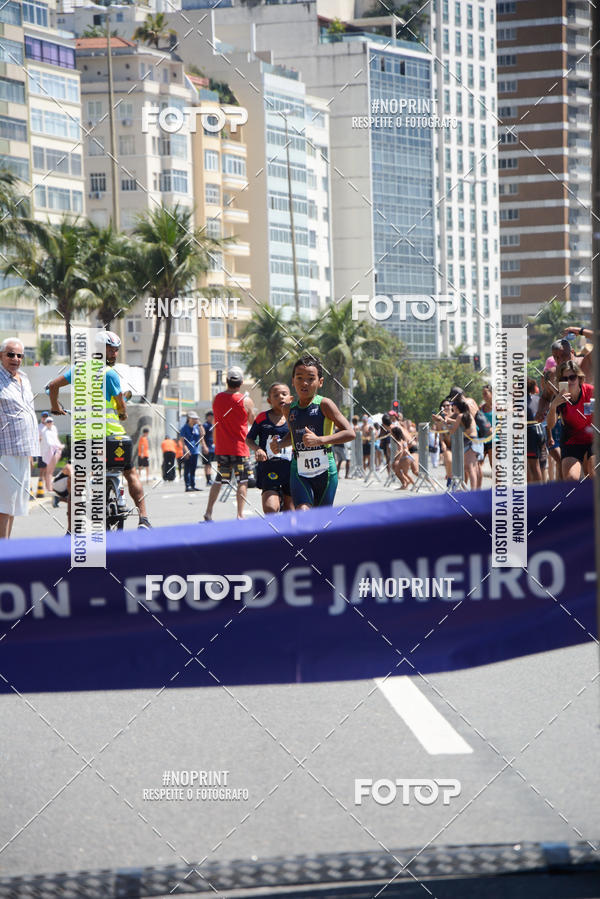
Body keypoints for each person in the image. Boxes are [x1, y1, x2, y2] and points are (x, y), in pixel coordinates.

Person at [48, 330, 152, 529]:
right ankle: (144, 519)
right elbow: (121, 404)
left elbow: (53, 386)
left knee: (77, 480)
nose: (114, 354)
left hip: (84, 440)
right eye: (111, 350)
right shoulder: (109, 373)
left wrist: (55, 407)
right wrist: (122, 414)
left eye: (115, 350)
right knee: (130, 473)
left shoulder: (78, 370)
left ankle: (72, 529)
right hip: (112, 437)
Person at [270, 353, 355, 510]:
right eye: (300, 378)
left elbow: (350, 433)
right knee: (303, 511)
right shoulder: (288, 409)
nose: (305, 383)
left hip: (325, 469)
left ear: (320, 382)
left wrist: (321, 440)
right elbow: (294, 436)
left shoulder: (325, 404)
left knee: (322, 518)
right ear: (293, 381)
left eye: (311, 378)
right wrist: (280, 444)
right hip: (299, 468)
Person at [204, 366, 255, 521]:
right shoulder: (246, 400)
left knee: (219, 479)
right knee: (243, 480)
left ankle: (209, 512)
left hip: (222, 447)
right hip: (240, 447)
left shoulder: (217, 398)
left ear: (227, 381)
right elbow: (252, 420)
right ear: (241, 382)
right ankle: (240, 514)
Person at [0, 338, 39, 538]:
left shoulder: (24, 378)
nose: (15, 358)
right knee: (4, 506)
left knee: (13, 506)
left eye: (19, 355)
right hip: (4, 452)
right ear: (1, 356)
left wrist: (30, 452)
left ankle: (6, 551)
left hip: (23, 451)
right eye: (10, 354)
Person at [246, 383, 294, 514]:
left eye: (284, 394)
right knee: (270, 509)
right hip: (269, 469)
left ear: (291, 398)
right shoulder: (262, 418)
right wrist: (258, 449)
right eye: (276, 395)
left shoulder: (294, 417)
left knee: (290, 512)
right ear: (269, 400)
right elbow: (249, 439)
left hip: (291, 470)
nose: (281, 397)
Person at [546, 360, 594, 481]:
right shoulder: (559, 397)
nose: (569, 382)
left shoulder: (590, 392)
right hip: (571, 442)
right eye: (564, 379)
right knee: (571, 479)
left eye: (572, 377)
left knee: (594, 471)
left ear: (579, 378)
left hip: (593, 439)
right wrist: (553, 406)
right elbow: (550, 425)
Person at [526, 377, 545, 483]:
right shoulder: (537, 399)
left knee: (533, 466)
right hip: (540, 431)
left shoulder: (522, 401)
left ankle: (538, 492)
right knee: (537, 465)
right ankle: (534, 491)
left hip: (530, 434)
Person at [180, 412, 204, 492]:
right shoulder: (184, 428)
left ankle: (193, 485)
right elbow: (182, 441)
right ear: (189, 419)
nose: (195, 420)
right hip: (187, 451)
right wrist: (186, 450)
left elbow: (203, 434)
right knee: (187, 469)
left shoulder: (197, 427)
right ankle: (187, 486)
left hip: (195, 451)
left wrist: (200, 425)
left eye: (196, 418)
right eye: (193, 418)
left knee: (193, 469)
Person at [40, 415, 63, 492]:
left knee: (50, 471)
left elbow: (56, 439)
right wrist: (59, 446)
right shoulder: (45, 431)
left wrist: (59, 447)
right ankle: (49, 488)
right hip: (49, 452)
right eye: (48, 421)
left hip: (55, 451)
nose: (49, 423)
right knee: (49, 471)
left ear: (53, 422)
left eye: (50, 421)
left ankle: (48, 487)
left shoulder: (53, 429)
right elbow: (49, 443)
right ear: (45, 423)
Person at [201, 410, 215, 486]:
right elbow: (202, 437)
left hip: (213, 447)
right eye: (211, 416)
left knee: (212, 464)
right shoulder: (205, 425)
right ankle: (208, 480)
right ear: (208, 417)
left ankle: (212, 478)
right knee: (207, 464)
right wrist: (204, 446)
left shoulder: (212, 425)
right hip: (207, 447)